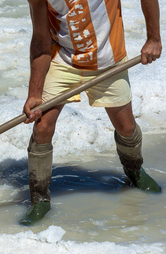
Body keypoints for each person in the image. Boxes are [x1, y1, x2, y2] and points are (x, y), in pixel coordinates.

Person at [20, 0, 162, 225]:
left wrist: (153, 38)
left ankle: (134, 170)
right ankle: (39, 198)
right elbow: (40, 40)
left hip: (109, 60)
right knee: (43, 126)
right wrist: (35, 93)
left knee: (126, 127)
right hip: (64, 60)